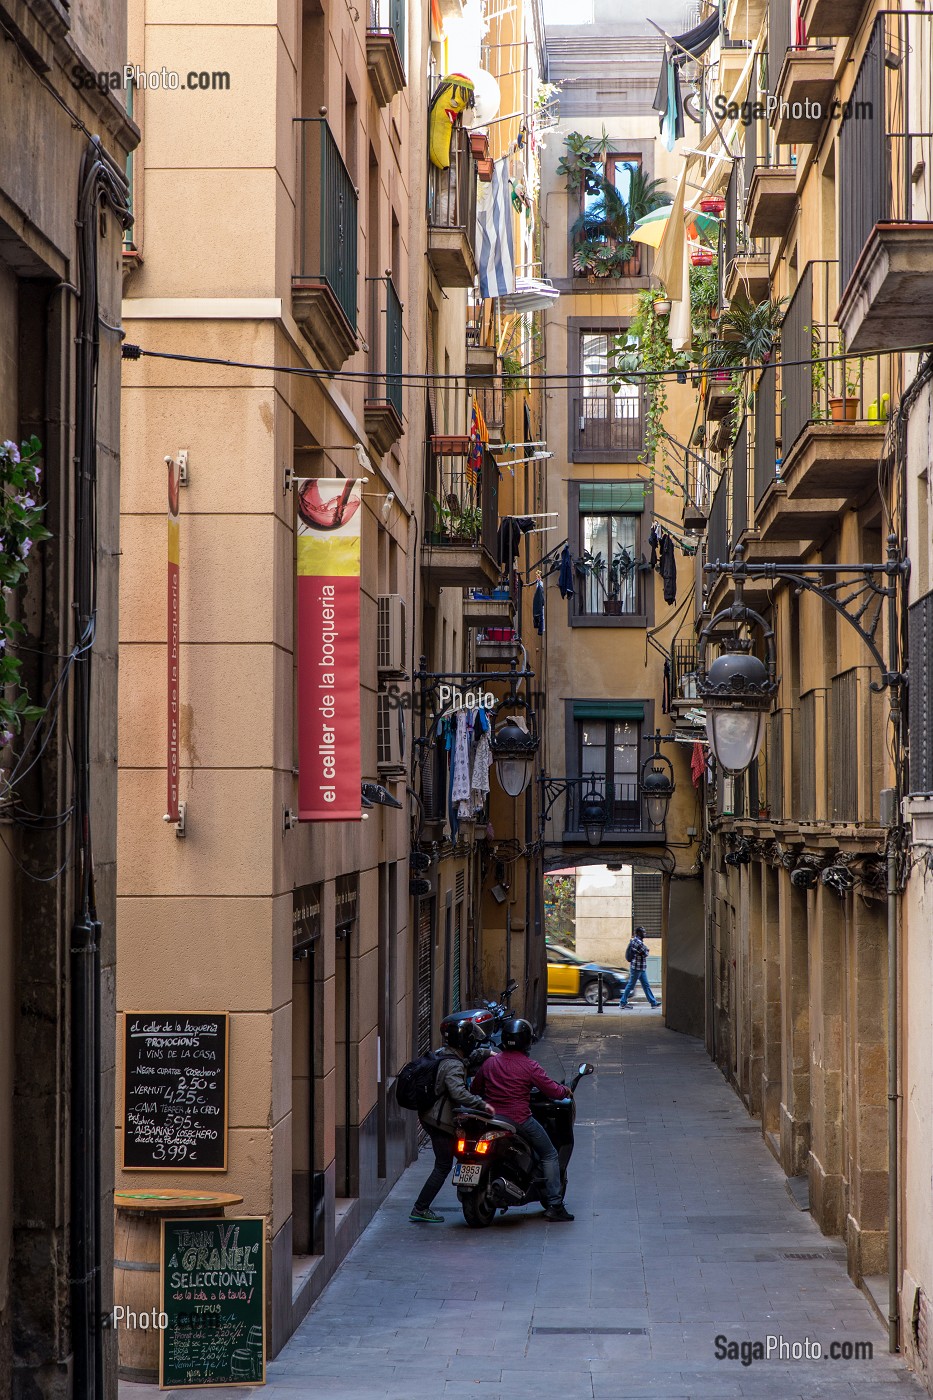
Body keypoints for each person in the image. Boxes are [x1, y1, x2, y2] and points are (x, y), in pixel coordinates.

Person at [469, 1018, 575, 1223]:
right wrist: (566, 1091)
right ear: (526, 1042)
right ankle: (555, 1203)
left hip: (491, 1118)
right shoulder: (529, 1066)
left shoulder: (490, 1062)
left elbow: (475, 1089)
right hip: (519, 1119)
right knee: (549, 1153)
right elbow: (552, 1090)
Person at [410, 1020, 494, 1224]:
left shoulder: (445, 1053)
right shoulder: (452, 1064)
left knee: (460, 1154)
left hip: (433, 1116)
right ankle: (420, 1208)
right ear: (464, 1041)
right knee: (443, 1164)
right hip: (439, 1120)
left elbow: (466, 1060)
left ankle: (468, 1188)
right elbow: (458, 1091)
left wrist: (487, 1054)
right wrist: (482, 1105)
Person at [619, 926, 660, 1008]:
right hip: (636, 968)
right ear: (638, 933)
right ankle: (622, 1002)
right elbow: (645, 953)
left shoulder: (636, 941)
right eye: (643, 932)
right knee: (631, 985)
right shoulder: (638, 942)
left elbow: (644, 951)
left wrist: (645, 950)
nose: (645, 933)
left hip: (640, 967)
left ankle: (653, 1002)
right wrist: (647, 950)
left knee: (646, 985)